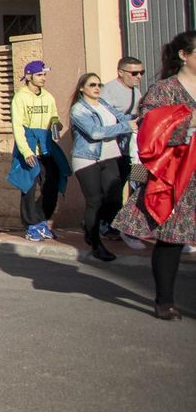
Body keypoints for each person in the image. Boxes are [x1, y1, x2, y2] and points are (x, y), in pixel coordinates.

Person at [111, 31, 196, 320]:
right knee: (171, 238)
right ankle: (165, 301)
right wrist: (189, 119)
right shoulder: (163, 90)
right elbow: (150, 129)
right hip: (173, 173)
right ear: (184, 55)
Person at [68, 72, 132, 263]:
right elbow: (95, 133)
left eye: (99, 85)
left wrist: (142, 118)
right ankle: (96, 244)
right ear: (82, 88)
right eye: (92, 85)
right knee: (94, 201)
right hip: (87, 159)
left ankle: (90, 225)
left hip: (110, 157)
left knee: (113, 197)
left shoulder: (104, 104)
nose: (97, 88)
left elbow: (122, 117)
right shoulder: (78, 110)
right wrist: (128, 126)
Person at [8, 60, 71, 241]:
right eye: (39, 75)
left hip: (47, 146)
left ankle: (42, 220)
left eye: (44, 75)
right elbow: (17, 126)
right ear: (29, 76)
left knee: (52, 182)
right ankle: (30, 225)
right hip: (29, 147)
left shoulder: (48, 97)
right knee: (28, 186)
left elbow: (53, 116)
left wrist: (55, 123)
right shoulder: (20, 98)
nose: (43, 78)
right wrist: (26, 151)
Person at [100, 57, 146, 242]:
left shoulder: (136, 91)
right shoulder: (108, 91)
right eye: (134, 73)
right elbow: (104, 116)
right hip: (115, 149)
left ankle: (132, 224)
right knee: (114, 187)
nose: (139, 77)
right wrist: (127, 122)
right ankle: (108, 224)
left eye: (141, 73)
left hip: (135, 151)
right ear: (120, 72)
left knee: (139, 184)